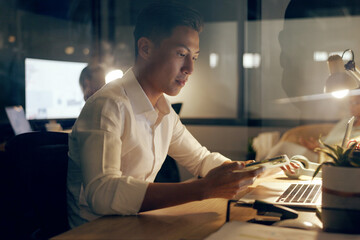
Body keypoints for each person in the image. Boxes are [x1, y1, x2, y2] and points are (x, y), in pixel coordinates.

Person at [67, 2, 263, 228]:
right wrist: (202, 188)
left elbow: (201, 159)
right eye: (181, 54)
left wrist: (243, 171)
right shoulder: (108, 105)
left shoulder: (163, 111)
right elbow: (102, 192)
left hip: (134, 224)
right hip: (96, 232)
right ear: (145, 49)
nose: (190, 68)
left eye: (195, 57)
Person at [265, 92, 360, 168]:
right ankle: (260, 172)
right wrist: (315, 144)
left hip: (325, 158)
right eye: (350, 102)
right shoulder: (346, 121)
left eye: (356, 103)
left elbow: (347, 151)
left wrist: (320, 149)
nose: (351, 106)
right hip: (316, 149)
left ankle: (259, 172)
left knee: (283, 148)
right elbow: (330, 139)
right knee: (282, 150)